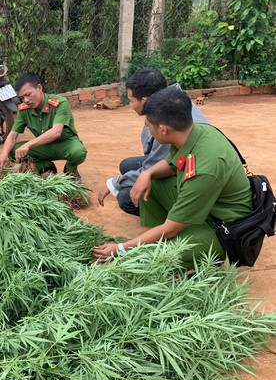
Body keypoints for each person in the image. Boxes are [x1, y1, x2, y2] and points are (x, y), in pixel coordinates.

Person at [92, 88, 252, 268]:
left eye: (148, 124)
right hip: (206, 208)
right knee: (149, 183)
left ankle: (196, 253)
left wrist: (120, 249)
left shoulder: (205, 169)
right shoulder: (192, 132)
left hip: (222, 228)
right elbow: (172, 164)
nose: (147, 128)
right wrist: (147, 173)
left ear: (163, 129)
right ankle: (161, 236)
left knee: (152, 255)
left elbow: (171, 229)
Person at [97, 68, 209, 215]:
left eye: (131, 101)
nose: (130, 106)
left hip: (191, 176)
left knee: (126, 197)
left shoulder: (166, 124)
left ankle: (167, 213)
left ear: (145, 100)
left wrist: (114, 184)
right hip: (181, 162)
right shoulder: (176, 102)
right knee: (128, 165)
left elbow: (163, 163)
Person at [0, 73, 87, 178]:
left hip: (65, 144)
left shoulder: (60, 103)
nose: (26, 100)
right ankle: (46, 167)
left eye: (28, 95)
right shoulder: (24, 110)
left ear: (39, 88)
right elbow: (13, 135)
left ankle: (70, 171)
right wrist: (3, 155)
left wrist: (28, 144)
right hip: (44, 146)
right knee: (13, 151)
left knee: (78, 152)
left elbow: (56, 132)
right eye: (22, 98)